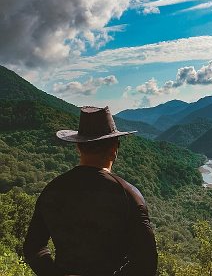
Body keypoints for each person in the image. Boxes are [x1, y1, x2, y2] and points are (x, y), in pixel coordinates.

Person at [23, 106, 158, 276]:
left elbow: (33, 246)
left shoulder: (52, 189)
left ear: (78, 147)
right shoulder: (128, 195)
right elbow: (146, 263)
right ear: (114, 149)